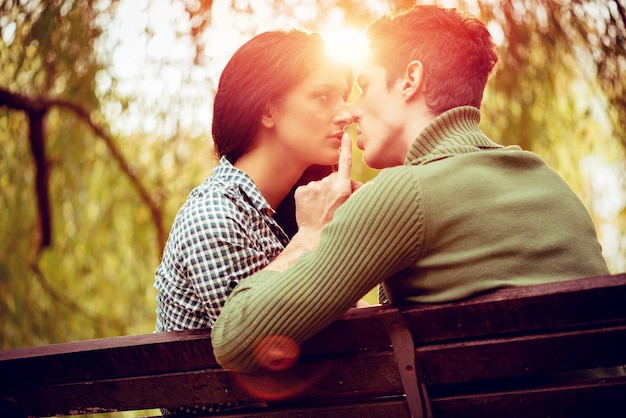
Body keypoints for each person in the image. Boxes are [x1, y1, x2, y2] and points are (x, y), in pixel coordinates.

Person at [210, 5, 610, 373]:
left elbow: (236, 340)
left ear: (410, 80)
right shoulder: (546, 180)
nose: (353, 111)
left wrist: (312, 234)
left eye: (365, 86)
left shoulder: (406, 193)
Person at [153, 29, 353, 413]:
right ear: (267, 110)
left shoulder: (293, 210)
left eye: (344, 96)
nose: (346, 113)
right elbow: (264, 358)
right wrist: (313, 235)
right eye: (323, 96)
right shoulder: (214, 216)